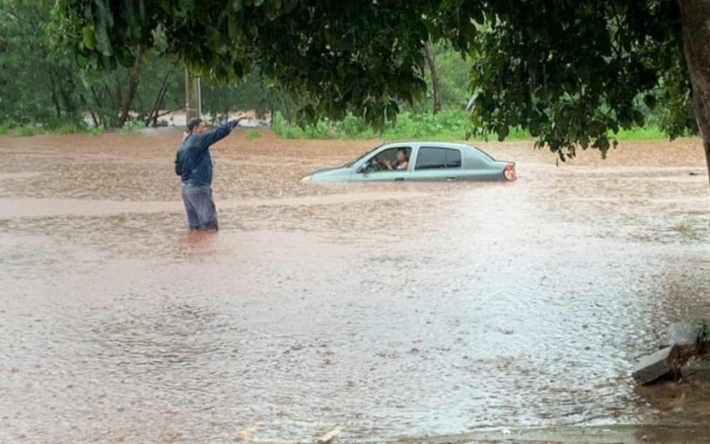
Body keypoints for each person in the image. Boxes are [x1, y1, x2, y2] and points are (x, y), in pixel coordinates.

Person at [174, 116, 246, 231]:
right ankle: (209, 249)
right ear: (195, 129)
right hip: (199, 188)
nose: (205, 129)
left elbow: (178, 170)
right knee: (210, 228)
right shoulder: (199, 140)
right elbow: (219, 133)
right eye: (203, 127)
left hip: (186, 190)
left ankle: (194, 249)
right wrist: (238, 119)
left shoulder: (182, 146)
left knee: (195, 229)